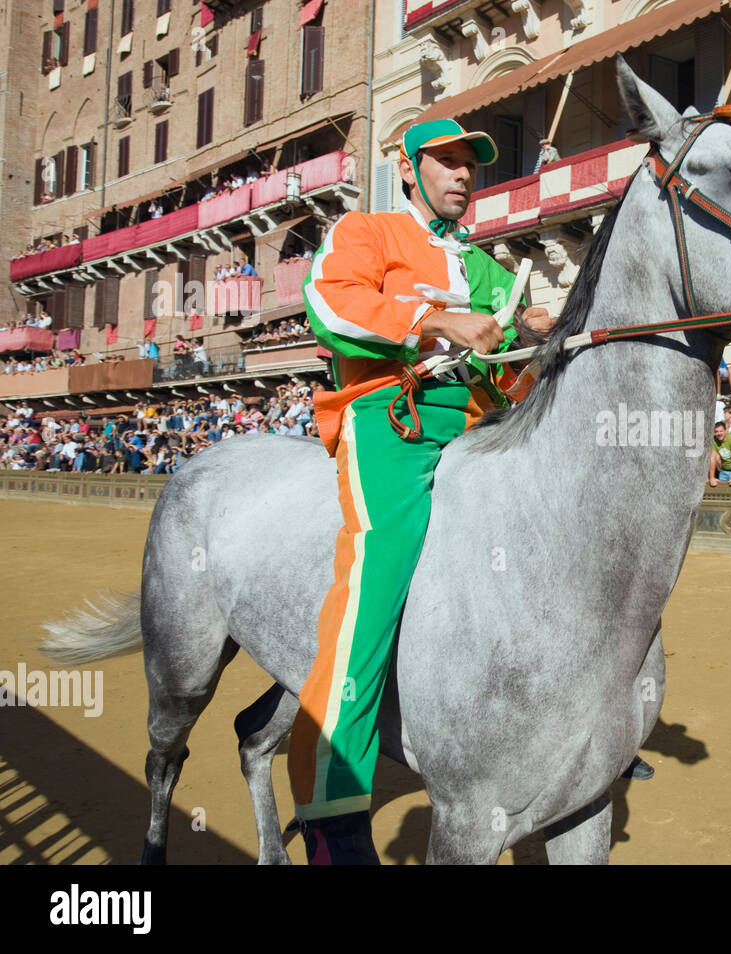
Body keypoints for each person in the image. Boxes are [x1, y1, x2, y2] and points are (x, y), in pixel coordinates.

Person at [292, 118, 553, 864]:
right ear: (408, 170)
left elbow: (508, 368)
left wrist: (537, 332)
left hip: (477, 423)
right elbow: (330, 304)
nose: (463, 173)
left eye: (472, 164)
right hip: (386, 416)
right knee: (378, 574)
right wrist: (434, 317)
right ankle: (332, 809)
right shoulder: (367, 231)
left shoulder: (490, 269)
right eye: (446, 160)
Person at [709, 421, 731, 486]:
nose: (719, 433)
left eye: (721, 431)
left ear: (725, 431)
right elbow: (712, 459)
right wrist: (712, 477)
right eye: (716, 431)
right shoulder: (714, 440)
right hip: (723, 470)